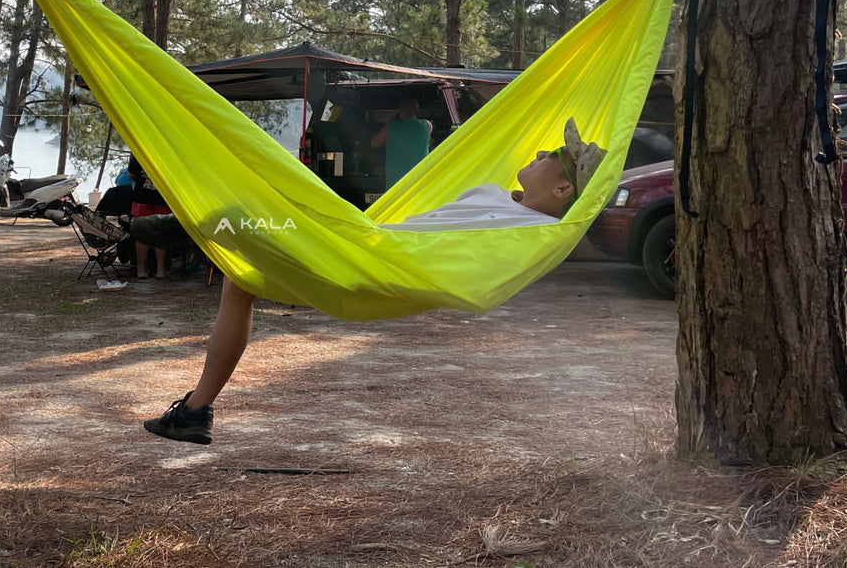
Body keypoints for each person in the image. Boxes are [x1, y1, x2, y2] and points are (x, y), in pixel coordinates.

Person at [144, 118, 607, 445]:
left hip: (370, 264)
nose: (543, 152)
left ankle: (178, 225)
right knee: (240, 277)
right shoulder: (493, 195)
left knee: (240, 216)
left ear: (564, 190)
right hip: (365, 244)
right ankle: (194, 412)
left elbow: (488, 271)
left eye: (556, 156)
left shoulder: (531, 234)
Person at [370, 97, 432, 188]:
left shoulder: (390, 127)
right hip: (419, 178)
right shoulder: (427, 125)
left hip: (396, 181)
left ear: (399, 111)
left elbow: (374, 144)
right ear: (417, 111)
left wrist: (390, 120)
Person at [127, 156, 172, 279]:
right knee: (160, 232)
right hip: (162, 197)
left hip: (142, 197)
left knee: (141, 233)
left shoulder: (141, 151)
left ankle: (141, 269)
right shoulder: (167, 154)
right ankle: (160, 270)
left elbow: (131, 175)